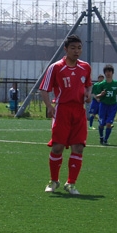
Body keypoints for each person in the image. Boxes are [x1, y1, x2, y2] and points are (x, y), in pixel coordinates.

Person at [40, 34, 92, 195]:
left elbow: (88, 85)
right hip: (62, 110)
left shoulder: (85, 67)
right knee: (57, 147)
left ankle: (71, 183)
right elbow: (44, 88)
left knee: (78, 147)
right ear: (66, 49)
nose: (77, 51)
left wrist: (88, 93)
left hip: (79, 111)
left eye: (79, 48)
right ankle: (54, 181)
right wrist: (49, 106)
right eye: (73, 48)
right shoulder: (56, 67)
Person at [95, 65, 117, 145]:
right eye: (106, 72)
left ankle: (105, 140)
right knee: (101, 124)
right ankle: (101, 137)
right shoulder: (101, 84)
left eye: (109, 71)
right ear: (104, 73)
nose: (108, 73)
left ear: (112, 73)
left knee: (109, 124)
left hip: (113, 106)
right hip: (103, 106)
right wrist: (101, 94)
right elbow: (96, 96)